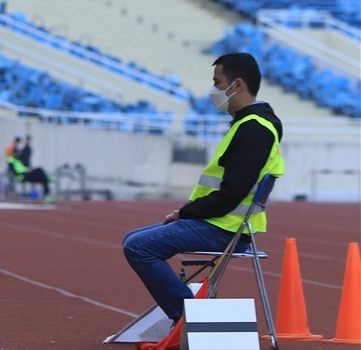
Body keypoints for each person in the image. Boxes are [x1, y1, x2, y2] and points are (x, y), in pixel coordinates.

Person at [122, 53, 285, 324]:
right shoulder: (247, 125)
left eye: (217, 82)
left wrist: (185, 213)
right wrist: (186, 214)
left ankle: (190, 319)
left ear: (238, 85)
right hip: (220, 223)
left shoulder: (255, 129)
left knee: (139, 247)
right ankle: (191, 316)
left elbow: (231, 195)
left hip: (225, 228)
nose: (214, 89)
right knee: (133, 238)